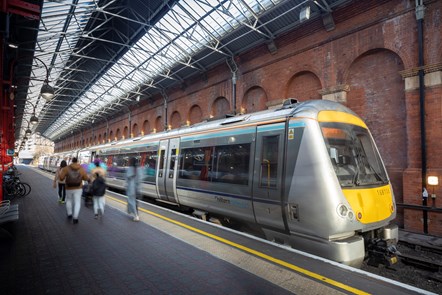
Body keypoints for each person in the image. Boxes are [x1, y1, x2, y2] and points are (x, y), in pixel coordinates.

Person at [59, 157, 89, 224]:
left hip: (69, 188)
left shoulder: (66, 168)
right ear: (77, 161)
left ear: (72, 161)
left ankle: (69, 214)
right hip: (78, 188)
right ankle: (75, 218)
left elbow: (61, 178)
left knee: (69, 200)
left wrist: (60, 172)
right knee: (77, 202)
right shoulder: (81, 168)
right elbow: (86, 178)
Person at [125, 157, 140, 221]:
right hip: (136, 187)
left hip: (131, 188)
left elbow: (127, 178)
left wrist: (126, 185)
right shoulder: (137, 169)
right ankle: (130, 211)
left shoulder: (130, 169)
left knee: (131, 201)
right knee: (134, 201)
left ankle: (136, 215)